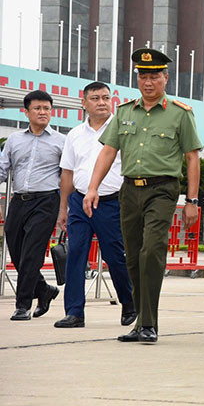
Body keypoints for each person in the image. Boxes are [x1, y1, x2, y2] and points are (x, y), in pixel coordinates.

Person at [84, 48, 202, 344]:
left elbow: (192, 158)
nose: (148, 82)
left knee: (152, 251)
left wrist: (192, 201)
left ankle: (149, 323)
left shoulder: (180, 113)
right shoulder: (124, 113)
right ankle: (140, 321)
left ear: (166, 77)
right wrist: (93, 187)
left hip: (162, 189)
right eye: (142, 76)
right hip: (129, 191)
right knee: (133, 257)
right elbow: (109, 151)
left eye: (154, 76)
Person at [54, 81, 136, 328]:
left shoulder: (123, 130)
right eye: (96, 98)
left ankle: (129, 305)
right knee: (76, 253)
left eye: (106, 98)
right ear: (84, 102)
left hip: (110, 202)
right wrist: (63, 208)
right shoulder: (75, 135)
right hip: (79, 201)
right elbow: (67, 173)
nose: (102, 102)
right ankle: (74, 312)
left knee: (115, 255)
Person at [0, 90, 65, 321]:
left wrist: (64, 207)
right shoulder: (14, 140)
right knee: (16, 250)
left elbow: (66, 176)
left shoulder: (60, 141)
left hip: (46, 201)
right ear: (26, 111)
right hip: (19, 201)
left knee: (31, 254)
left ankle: (22, 305)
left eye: (47, 108)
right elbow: (2, 169)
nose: (42, 112)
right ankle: (44, 290)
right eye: (37, 108)